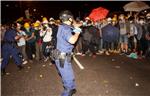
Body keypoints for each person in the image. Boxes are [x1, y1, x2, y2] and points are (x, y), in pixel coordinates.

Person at [54, 10, 82, 96]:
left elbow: (72, 26)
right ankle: (68, 91)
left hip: (63, 54)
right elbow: (72, 40)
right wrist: (77, 31)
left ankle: (72, 88)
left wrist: (76, 25)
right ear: (69, 18)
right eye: (72, 19)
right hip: (62, 55)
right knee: (68, 77)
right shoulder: (65, 28)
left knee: (68, 72)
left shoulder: (62, 26)